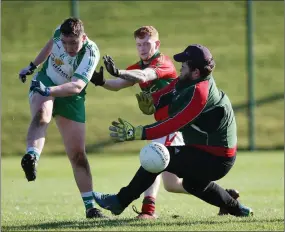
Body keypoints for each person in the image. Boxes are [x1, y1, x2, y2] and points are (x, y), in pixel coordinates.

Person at [92, 44, 253, 218]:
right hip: (206, 150)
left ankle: (119, 201)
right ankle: (238, 209)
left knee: (158, 156)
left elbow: (172, 124)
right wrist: (152, 103)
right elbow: (163, 94)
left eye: (184, 65)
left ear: (196, 72)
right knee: (193, 184)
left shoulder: (200, 93)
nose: (180, 68)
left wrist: (137, 133)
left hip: (217, 158)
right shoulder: (188, 81)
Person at [90, 25, 186, 219]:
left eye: (147, 43)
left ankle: (147, 211)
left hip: (174, 122)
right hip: (164, 124)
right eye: (139, 44)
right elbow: (119, 84)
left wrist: (118, 72)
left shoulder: (163, 62)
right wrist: (102, 82)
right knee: (172, 185)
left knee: (153, 160)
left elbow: (144, 76)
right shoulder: (138, 66)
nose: (142, 48)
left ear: (157, 44)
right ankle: (224, 197)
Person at [18, 17, 107, 219]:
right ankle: (31, 156)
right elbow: (50, 44)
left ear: (83, 38)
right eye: (65, 42)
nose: (68, 48)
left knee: (78, 154)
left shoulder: (91, 52)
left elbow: (76, 86)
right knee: (43, 114)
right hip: (46, 79)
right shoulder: (59, 31)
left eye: (73, 43)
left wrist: (49, 90)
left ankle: (90, 208)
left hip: (71, 95)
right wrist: (32, 66)